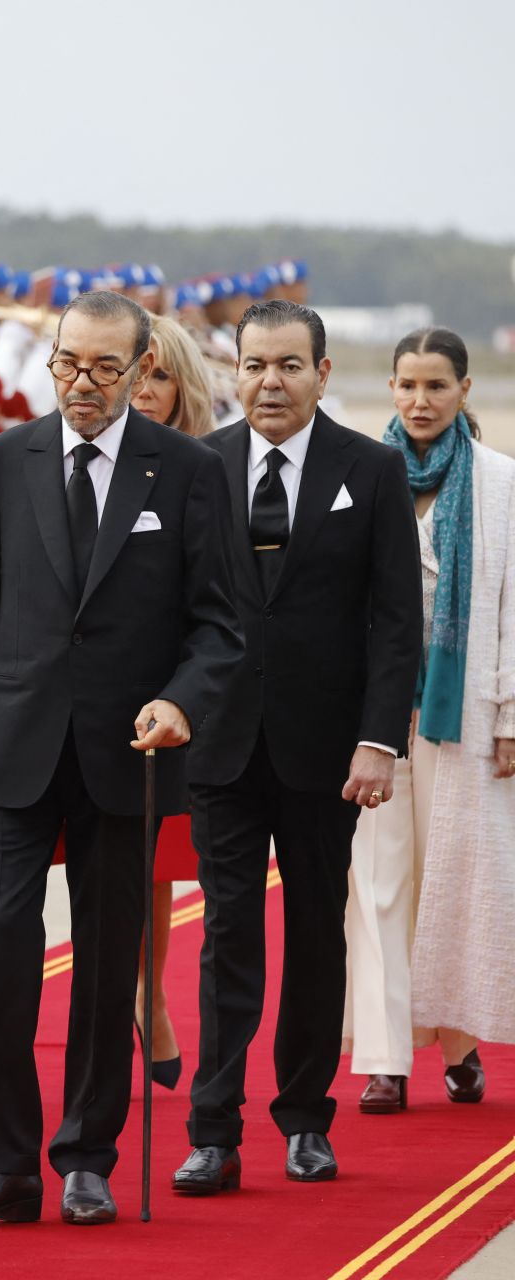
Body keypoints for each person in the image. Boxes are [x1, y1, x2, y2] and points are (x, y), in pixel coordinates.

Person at [0, 289, 242, 1226]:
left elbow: (220, 625)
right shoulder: (6, 459)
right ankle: (3, 1163)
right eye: (68, 363)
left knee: (106, 965)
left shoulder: (184, 471)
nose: (82, 384)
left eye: (105, 368)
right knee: (4, 952)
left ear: (144, 369)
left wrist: (182, 700)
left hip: (126, 756)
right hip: (11, 750)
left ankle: (87, 1158)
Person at [172, 298, 420, 1195]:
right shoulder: (197, 468)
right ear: (232, 372)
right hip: (220, 746)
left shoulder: (372, 470)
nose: (268, 383)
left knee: (316, 932)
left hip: (327, 753)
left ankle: (306, 1120)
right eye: (253, 366)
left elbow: (396, 622)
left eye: (287, 366)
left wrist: (378, 741)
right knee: (228, 934)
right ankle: (214, 1130)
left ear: (322, 373)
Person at [345, 328, 514, 1112]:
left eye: (436, 386)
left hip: (464, 713)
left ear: (465, 389)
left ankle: (458, 1042)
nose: (419, 400)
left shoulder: (499, 484)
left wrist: (510, 713)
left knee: (454, 881)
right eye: (407, 385)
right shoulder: (362, 475)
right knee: (376, 884)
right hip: (373, 712)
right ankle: (385, 1058)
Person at [123, 314, 218, 1087]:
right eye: (135, 372)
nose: (144, 389)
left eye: (159, 376)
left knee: (162, 866)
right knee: (107, 868)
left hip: (187, 698)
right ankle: (125, 995)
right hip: (95, 702)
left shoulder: (206, 468)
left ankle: (152, 995)